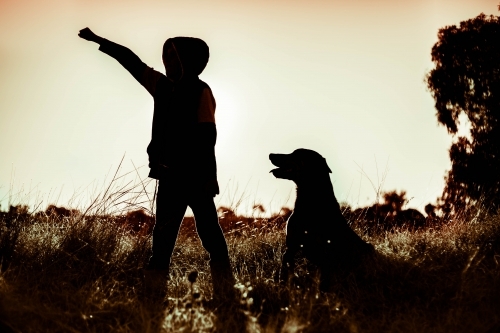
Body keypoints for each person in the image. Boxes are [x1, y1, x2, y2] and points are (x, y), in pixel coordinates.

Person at [78, 28, 235, 303]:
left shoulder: (201, 90)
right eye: (166, 56)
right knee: (161, 242)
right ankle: (152, 298)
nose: (167, 62)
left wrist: (211, 176)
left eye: (174, 57)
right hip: (169, 177)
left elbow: (208, 136)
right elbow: (131, 61)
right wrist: (101, 41)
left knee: (211, 237)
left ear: (191, 60)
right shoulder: (160, 85)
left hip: (197, 179)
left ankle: (226, 295)